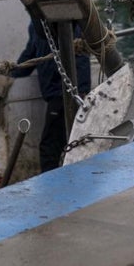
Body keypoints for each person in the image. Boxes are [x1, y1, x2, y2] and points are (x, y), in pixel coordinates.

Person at [11, 18, 92, 171]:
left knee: (50, 148)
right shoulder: (36, 25)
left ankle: (50, 190)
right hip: (63, 92)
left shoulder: (65, 20)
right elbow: (30, 53)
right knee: (67, 142)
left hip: (65, 92)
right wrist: (10, 75)